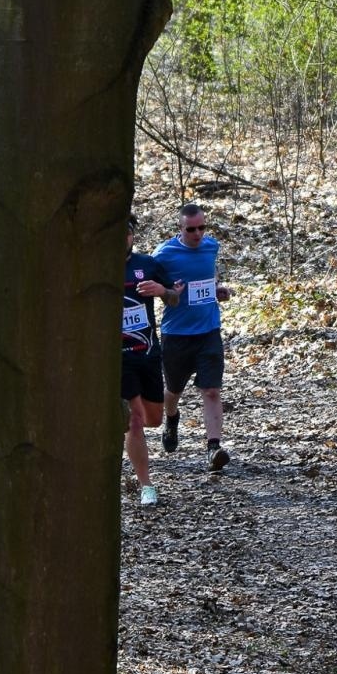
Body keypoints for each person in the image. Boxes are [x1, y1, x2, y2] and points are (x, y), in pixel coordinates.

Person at [153, 203, 233, 471]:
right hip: (176, 333)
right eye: (191, 230)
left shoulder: (211, 246)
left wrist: (217, 289)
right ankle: (171, 417)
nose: (198, 234)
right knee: (173, 389)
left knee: (211, 390)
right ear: (180, 228)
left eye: (202, 228)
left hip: (209, 330)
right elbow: (153, 286)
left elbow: (208, 278)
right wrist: (168, 291)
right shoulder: (163, 254)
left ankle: (213, 448)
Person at [123, 214, 181, 506]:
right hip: (118, 358)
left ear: (133, 235)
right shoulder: (95, 267)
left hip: (147, 352)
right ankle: (146, 486)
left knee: (153, 419)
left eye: (127, 232)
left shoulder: (146, 264)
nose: (122, 238)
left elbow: (175, 297)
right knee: (134, 419)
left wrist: (162, 291)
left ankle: (124, 430)